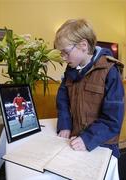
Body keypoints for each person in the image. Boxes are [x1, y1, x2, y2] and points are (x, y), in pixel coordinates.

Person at [54, 19, 125, 180]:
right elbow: (63, 100)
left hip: (102, 145)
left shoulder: (110, 71)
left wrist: (87, 139)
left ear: (83, 45)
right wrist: (65, 124)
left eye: (65, 52)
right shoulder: (70, 70)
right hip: (75, 140)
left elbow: (113, 120)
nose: (63, 57)